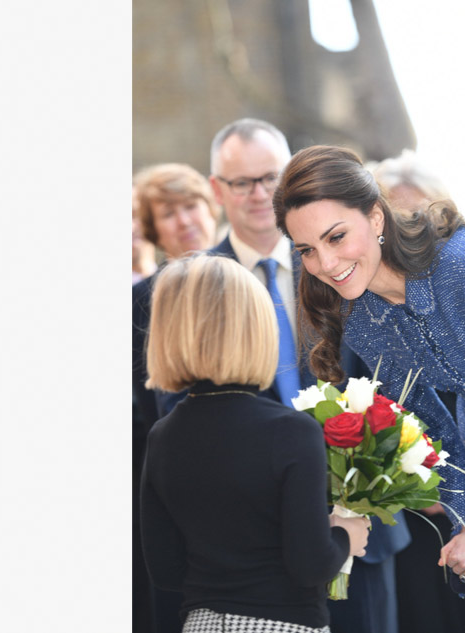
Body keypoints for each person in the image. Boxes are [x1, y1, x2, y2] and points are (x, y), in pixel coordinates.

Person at [273, 145, 465, 632]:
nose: (326, 263)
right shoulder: (358, 310)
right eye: (306, 250)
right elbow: (425, 429)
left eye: (336, 236)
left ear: (375, 217)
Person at [154, 119, 411, 633]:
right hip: (256, 561)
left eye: (270, 177)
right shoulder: (189, 284)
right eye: (241, 182)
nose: (259, 194)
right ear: (216, 190)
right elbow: (179, 406)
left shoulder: (347, 261)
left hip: (362, 527)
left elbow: (395, 378)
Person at [140, 254, 370, 633]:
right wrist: (346, 535)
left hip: (200, 624)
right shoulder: (291, 431)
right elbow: (311, 565)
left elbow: (166, 570)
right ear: (256, 328)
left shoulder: (163, 435)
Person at [370, 151, 465, 633]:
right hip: (407, 518)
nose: (410, 233)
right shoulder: (364, 308)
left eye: (420, 217)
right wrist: (408, 486)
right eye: (396, 219)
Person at [131, 163, 221, 633]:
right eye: (168, 213)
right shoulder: (140, 301)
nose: (185, 220)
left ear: (210, 207)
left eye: (191, 206)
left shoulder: (243, 277)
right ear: (153, 230)